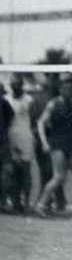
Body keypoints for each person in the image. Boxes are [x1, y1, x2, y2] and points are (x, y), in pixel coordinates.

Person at [34, 77, 72, 217]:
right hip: (57, 142)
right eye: (65, 88)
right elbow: (40, 123)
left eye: (70, 88)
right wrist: (44, 142)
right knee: (59, 176)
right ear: (60, 89)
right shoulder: (53, 103)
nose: (67, 91)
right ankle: (41, 205)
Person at [6, 74, 35, 214]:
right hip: (10, 136)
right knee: (12, 171)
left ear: (22, 84)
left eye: (18, 84)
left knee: (26, 171)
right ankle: (15, 202)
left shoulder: (29, 100)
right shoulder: (6, 99)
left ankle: (28, 202)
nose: (15, 86)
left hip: (25, 137)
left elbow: (34, 120)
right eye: (13, 84)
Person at [0, 82, 14, 213]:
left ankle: (3, 201)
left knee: (7, 171)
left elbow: (10, 118)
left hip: (3, 141)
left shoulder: (4, 103)